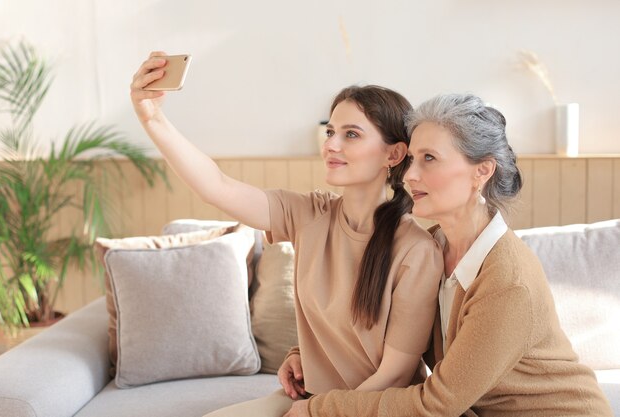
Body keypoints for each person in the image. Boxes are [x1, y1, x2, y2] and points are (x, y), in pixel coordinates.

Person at [130, 52, 443, 417]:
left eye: (351, 135)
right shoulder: (310, 214)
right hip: (310, 400)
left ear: (394, 154)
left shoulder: (417, 251)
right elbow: (216, 186)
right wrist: (151, 116)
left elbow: (396, 373)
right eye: (330, 132)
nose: (331, 145)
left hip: (373, 408)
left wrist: (319, 412)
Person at [283, 93, 614, 417]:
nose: (410, 175)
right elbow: (372, 322)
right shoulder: (426, 249)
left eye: (429, 158)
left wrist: (318, 410)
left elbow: (437, 404)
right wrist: (305, 355)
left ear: (481, 172)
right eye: (411, 159)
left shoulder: (508, 281)